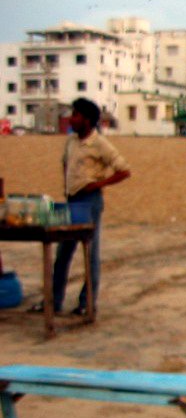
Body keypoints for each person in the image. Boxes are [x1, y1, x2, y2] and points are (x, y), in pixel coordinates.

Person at [30, 97, 131, 316]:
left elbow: (124, 170)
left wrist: (97, 184)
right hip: (71, 200)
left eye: (75, 115)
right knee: (62, 252)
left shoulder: (100, 144)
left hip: (90, 201)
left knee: (90, 253)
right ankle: (53, 301)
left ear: (87, 119)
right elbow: (65, 163)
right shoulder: (71, 142)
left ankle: (87, 303)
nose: (71, 119)